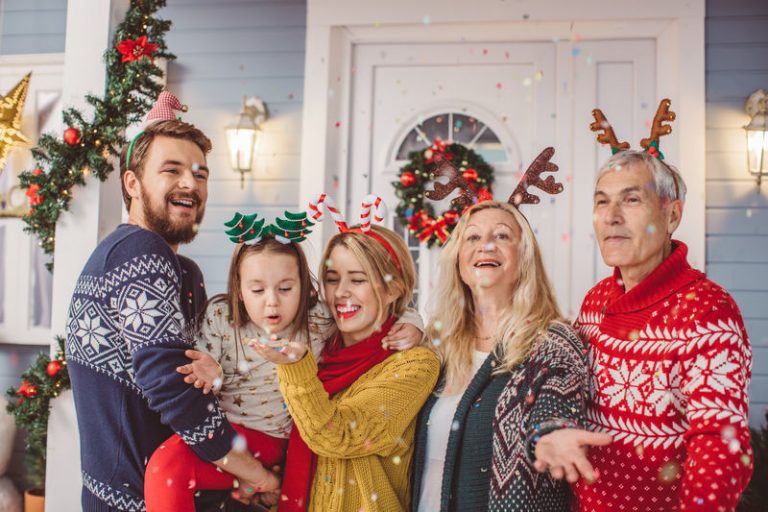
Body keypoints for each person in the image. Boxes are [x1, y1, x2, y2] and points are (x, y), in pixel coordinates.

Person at [65, 96, 277, 511]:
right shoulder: (140, 252)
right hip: (138, 498)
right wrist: (256, 474)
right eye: (171, 170)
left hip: (149, 489)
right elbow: (173, 385)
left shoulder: (174, 268)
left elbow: (195, 371)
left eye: (200, 174)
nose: (190, 184)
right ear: (131, 184)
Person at [143, 218, 425, 511]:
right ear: (239, 290)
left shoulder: (318, 319)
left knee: (168, 466)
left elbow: (387, 305)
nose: (272, 303)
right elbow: (203, 364)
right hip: (226, 434)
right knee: (167, 469)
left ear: (304, 287)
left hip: (271, 439)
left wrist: (412, 323)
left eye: (285, 288)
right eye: (257, 290)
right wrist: (211, 371)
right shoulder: (220, 315)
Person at [533, 148, 754, 510]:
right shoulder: (595, 301)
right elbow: (560, 383)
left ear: (672, 215)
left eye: (631, 199)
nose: (611, 216)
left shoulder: (706, 311)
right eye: (601, 202)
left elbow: (719, 440)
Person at [250, 214, 441, 512]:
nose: (340, 293)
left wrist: (295, 367)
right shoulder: (318, 346)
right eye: (332, 279)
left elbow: (339, 435)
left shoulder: (414, 365)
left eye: (358, 279)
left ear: (393, 289)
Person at [411, 198, 588, 512]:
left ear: (524, 257)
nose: (486, 246)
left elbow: (555, 405)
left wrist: (549, 435)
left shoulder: (552, 342)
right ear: (458, 259)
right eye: (473, 237)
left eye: (502, 236)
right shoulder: (437, 346)